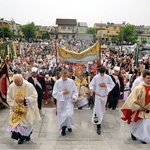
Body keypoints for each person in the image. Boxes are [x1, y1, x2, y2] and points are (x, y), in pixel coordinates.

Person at [7, 74, 41, 144]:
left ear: (22, 79)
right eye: (15, 83)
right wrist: (12, 105)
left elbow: (34, 96)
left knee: (26, 124)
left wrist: (24, 99)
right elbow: (9, 96)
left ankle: (27, 135)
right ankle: (21, 138)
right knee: (17, 124)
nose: (17, 84)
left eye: (18, 83)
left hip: (26, 109)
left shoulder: (29, 86)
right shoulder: (12, 86)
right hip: (16, 109)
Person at [121, 69, 150, 144]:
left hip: (148, 110)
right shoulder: (138, 88)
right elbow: (131, 99)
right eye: (148, 78)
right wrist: (137, 107)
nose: (149, 80)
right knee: (137, 124)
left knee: (146, 124)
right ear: (143, 78)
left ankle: (144, 137)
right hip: (139, 109)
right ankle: (133, 133)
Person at [89, 66, 115, 135]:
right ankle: (98, 124)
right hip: (98, 95)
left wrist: (105, 85)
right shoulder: (96, 77)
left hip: (104, 95)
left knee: (102, 109)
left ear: (105, 72)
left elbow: (112, 84)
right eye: (101, 73)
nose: (102, 75)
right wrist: (91, 88)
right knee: (97, 109)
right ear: (98, 72)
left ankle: (99, 119)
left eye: (103, 73)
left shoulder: (108, 77)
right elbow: (91, 84)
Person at [52, 69, 78, 136]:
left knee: (69, 115)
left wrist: (74, 97)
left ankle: (69, 126)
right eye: (64, 76)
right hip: (61, 102)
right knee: (62, 116)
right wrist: (63, 93)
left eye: (66, 76)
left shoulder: (71, 81)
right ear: (61, 75)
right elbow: (54, 93)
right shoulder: (57, 82)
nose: (65, 77)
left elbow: (75, 91)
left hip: (69, 101)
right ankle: (63, 128)